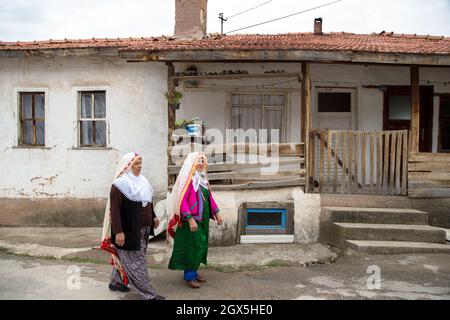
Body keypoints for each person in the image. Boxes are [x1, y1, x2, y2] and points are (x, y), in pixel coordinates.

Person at [100, 152, 165, 300]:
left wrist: (153, 216)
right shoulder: (119, 185)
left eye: (141, 163)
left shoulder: (142, 181)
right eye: (136, 163)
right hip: (128, 231)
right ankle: (149, 295)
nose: (140, 166)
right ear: (128, 165)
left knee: (128, 258)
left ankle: (116, 282)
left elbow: (148, 201)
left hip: (144, 228)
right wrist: (119, 232)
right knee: (137, 262)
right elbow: (114, 211)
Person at [168, 152, 223, 288]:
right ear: (192, 163)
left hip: (203, 219)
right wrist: (190, 218)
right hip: (191, 221)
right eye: (198, 161)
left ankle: (195, 270)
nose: (201, 163)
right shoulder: (188, 180)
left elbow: (209, 198)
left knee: (201, 245)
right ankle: (189, 276)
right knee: (192, 247)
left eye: (203, 161)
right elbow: (183, 201)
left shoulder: (203, 180)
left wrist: (217, 213)